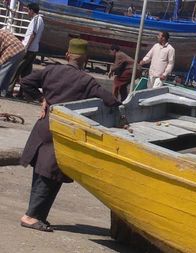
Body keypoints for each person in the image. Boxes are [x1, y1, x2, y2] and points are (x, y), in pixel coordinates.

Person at [18, 38, 120, 232]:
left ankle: (37, 215)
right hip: (61, 132)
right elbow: (110, 100)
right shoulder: (86, 81)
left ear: (67, 55)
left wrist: (42, 99)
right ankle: (30, 216)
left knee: (43, 174)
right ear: (86, 59)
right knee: (49, 176)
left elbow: (26, 82)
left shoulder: (51, 70)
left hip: (43, 127)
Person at [11, 3, 44, 97]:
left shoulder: (37, 19)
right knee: (26, 73)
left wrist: (26, 47)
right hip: (33, 50)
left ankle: (9, 90)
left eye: (27, 10)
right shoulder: (39, 20)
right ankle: (22, 93)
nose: (27, 13)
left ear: (31, 10)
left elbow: (33, 34)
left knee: (16, 70)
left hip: (29, 50)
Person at [0, 27, 25, 97]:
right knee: (8, 73)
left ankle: (2, 91)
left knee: (2, 71)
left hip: (13, 50)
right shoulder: (2, 32)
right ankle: (3, 92)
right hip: (21, 49)